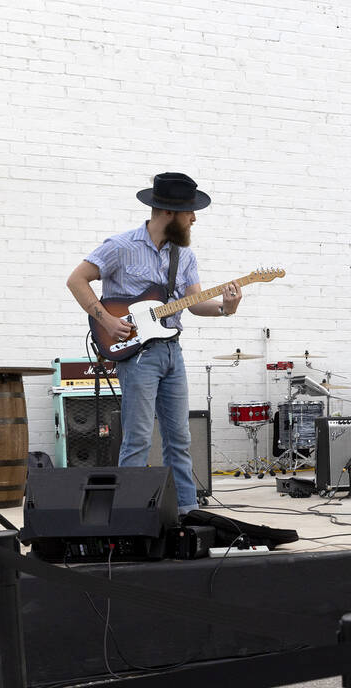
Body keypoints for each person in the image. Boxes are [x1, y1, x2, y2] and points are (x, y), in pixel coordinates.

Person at [67, 172, 242, 515]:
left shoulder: (184, 256)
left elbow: (193, 303)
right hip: (137, 357)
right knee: (138, 439)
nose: (194, 218)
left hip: (171, 352)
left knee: (180, 440)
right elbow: (77, 280)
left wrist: (225, 308)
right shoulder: (120, 246)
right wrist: (106, 319)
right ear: (168, 213)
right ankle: (128, 514)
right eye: (189, 212)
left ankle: (188, 510)